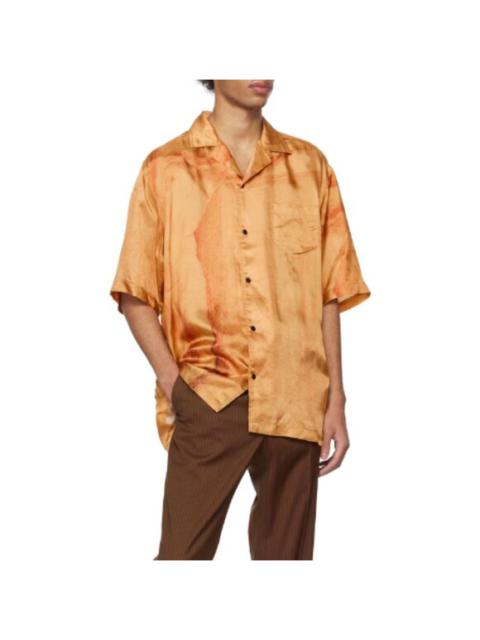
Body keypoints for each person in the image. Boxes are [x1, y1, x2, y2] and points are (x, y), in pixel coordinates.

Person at [109, 79, 371, 560]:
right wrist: (174, 385)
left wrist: (336, 398)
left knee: (286, 563)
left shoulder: (308, 166)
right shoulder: (166, 168)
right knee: (181, 559)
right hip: (210, 395)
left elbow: (328, 291)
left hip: (295, 397)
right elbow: (134, 291)